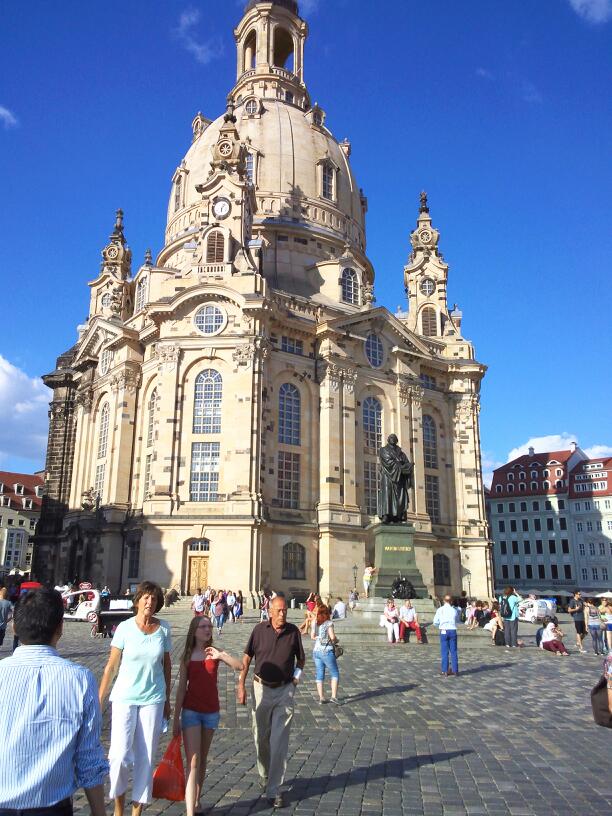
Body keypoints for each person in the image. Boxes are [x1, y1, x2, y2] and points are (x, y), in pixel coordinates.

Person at [0, 588, 108, 816]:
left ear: (14, 627)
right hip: (52, 808)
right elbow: (88, 758)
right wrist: (99, 812)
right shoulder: (80, 679)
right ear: (60, 627)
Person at [98, 581, 172, 816]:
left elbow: (167, 666)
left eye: (154, 598)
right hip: (125, 696)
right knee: (119, 755)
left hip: (153, 698)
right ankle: (119, 808)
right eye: (146, 597)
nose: (149, 602)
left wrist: (167, 700)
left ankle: (136, 812)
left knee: (146, 757)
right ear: (138, 600)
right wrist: (99, 699)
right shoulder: (124, 628)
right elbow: (111, 666)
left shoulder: (164, 629)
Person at [237, 595, 305, 809]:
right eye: (279, 610)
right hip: (261, 689)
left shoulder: (293, 632)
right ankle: (265, 773)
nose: (282, 614)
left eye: (285, 610)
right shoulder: (259, 630)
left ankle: (274, 789)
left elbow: (301, 659)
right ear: (270, 612)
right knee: (260, 737)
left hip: (285, 690)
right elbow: (246, 658)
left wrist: (295, 680)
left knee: (279, 742)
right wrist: (241, 684)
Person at [173, 616, 242, 816]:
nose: (207, 629)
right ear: (194, 631)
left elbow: (239, 666)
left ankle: (196, 800)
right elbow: (181, 689)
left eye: (209, 626)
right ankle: (190, 812)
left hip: (211, 712)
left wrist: (221, 656)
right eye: (203, 626)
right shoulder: (187, 656)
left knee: (202, 759)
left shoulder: (214, 652)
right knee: (193, 760)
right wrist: (176, 717)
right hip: (191, 712)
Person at [311, 604, 340, 704]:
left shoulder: (314, 622)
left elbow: (312, 636)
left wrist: (319, 638)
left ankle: (321, 697)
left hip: (316, 651)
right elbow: (332, 637)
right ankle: (333, 697)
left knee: (320, 673)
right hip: (326, 651)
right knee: (335, 673)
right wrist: (336, 640)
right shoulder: (328, 623)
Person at [433, 594, 459, 676]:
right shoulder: (454, 610)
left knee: (444, 651)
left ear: (444, 601)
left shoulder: (440, 610)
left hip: (443, 630)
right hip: (452, 630)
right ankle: (455, 670)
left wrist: (440, 625)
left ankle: (444, 670)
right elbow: (457, 620)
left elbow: (435, 622)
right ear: (451, 601)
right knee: (453, 651)